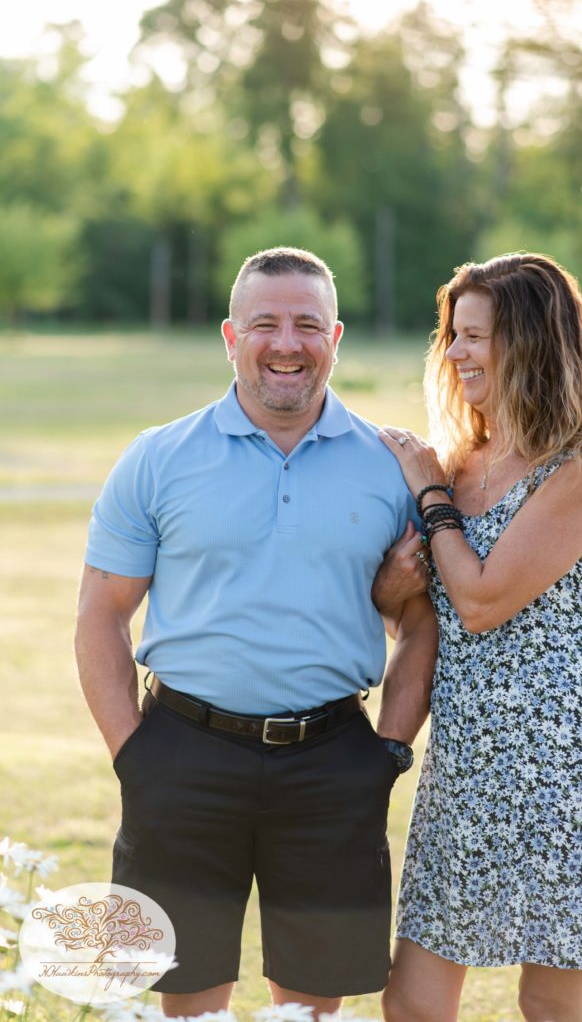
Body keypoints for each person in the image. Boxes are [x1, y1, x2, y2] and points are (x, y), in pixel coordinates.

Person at [74, 247, 436, 1021]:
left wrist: (390, 751)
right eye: (264, 323)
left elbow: (421, 624)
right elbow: (101, 613)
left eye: (307, 324)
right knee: (185, 1000)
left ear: (334, 337)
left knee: (307, 1008)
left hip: (335, 761)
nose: (286, 343)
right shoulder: (159, 457)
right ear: (230, 336)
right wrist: (132, 753)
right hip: (181, 753)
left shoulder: (390, 468)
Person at [372, 253, 582, 1022]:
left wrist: (426, 490)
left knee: (549, 1000)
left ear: (530, 344)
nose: (455, 353)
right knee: (415, 1000)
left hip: (562, 766)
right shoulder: (461, 465)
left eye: (475, 336)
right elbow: (422, 620)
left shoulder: (581, 473)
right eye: (451, 336)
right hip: (466, 760)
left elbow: (484, 600)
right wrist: (396, 587)